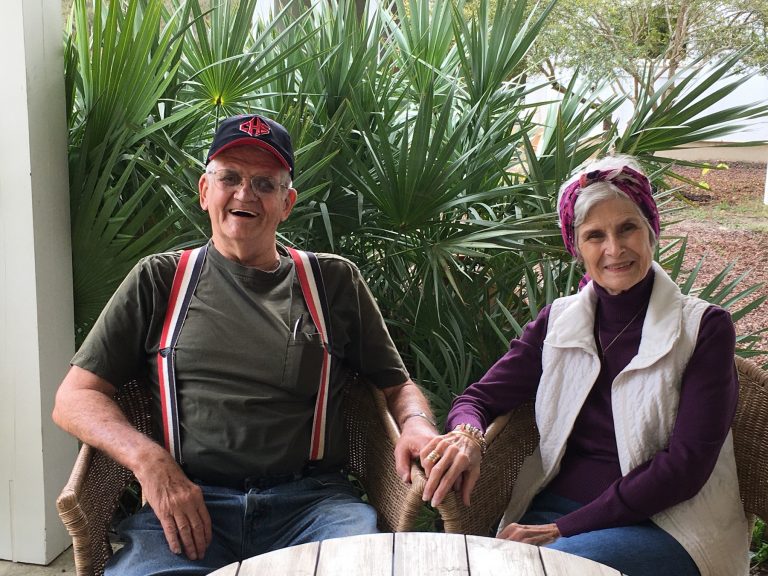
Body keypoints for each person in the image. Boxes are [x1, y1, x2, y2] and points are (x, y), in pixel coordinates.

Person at [52, 114, 437, 576]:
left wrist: (416, 424)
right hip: (189, 505)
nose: (244, 194)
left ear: (287, 203)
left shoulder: (332, 282)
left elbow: (398, 386)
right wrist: (148, 460)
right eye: (229, 177)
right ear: (204, 191)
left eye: (264, 184)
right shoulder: (160, 280)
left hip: (313, 506)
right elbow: (74, 396)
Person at [417, 156, 749, 576]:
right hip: (554, 508)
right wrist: (467, 436)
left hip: (669, 523)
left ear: (651, 230)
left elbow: (685, 467)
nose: (614, 249)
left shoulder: (703, 328)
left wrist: (563, 529)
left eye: (627, 227)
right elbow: (479, 398)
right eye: (595, 235)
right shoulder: (557, 321)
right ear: (577, 248)